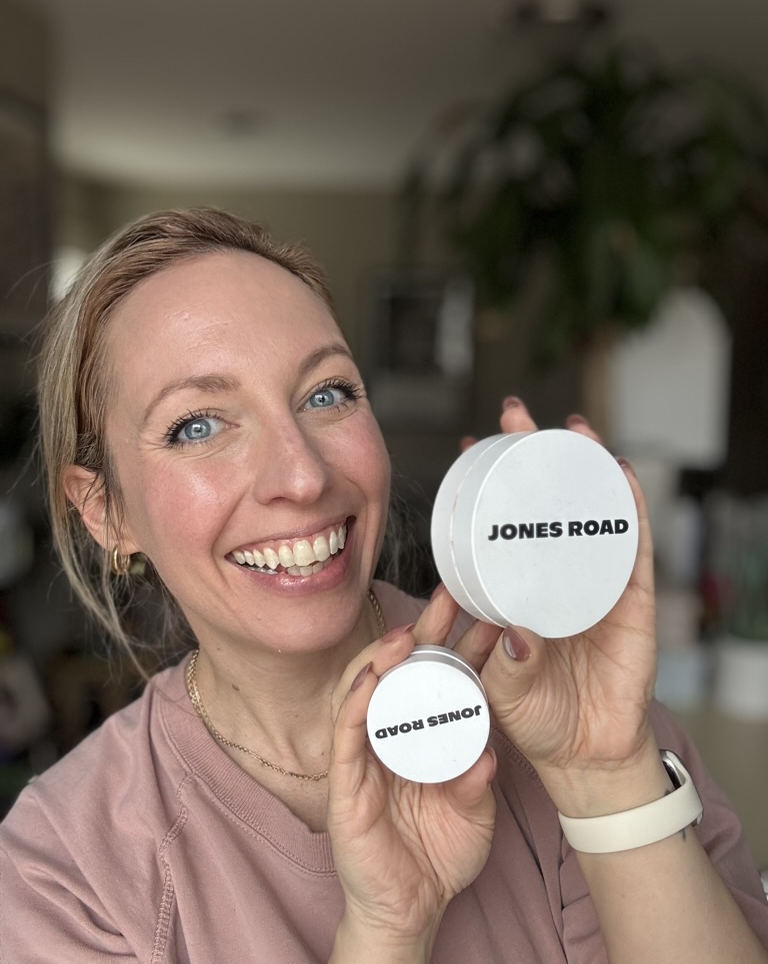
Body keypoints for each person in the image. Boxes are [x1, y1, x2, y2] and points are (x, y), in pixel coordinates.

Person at [0, 206, 766, 964]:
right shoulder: (65, 871)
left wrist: (605, 777)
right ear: (105, 512)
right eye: (199, 425)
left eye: (326, 394)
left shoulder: (562, 696)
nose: (302, 475)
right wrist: (388, 935)